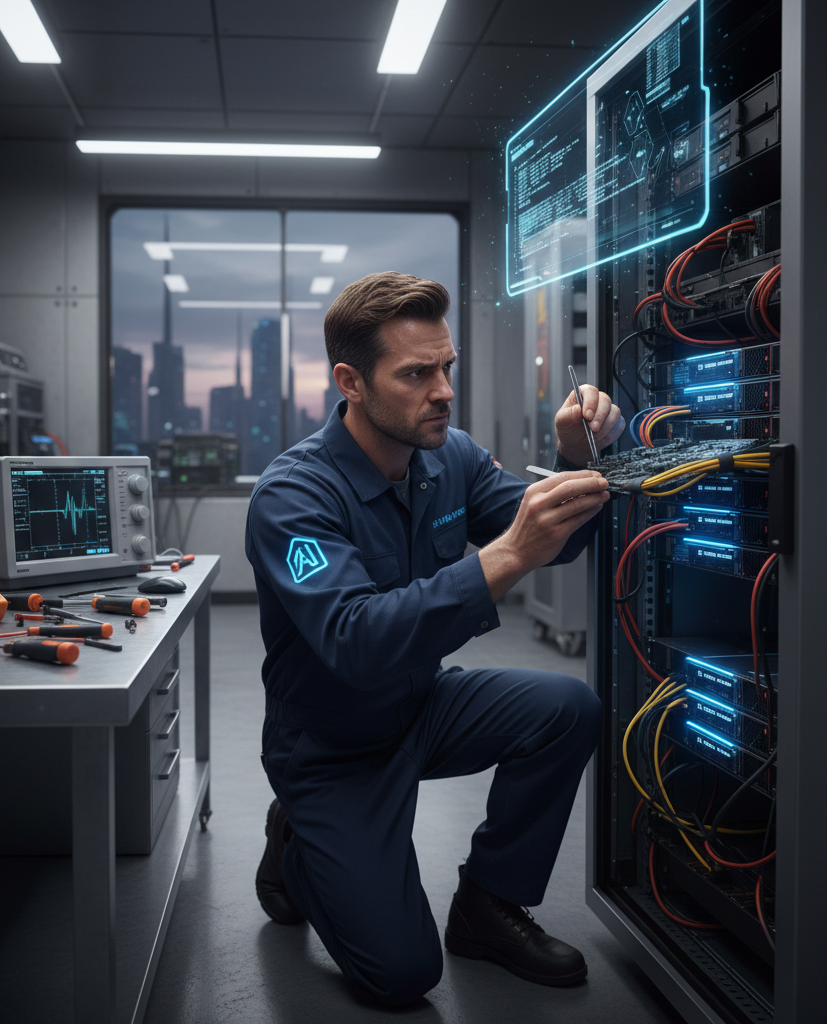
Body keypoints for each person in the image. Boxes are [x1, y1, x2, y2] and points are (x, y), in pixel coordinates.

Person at [245, 272, 624, 1006]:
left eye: (445, 367)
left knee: (566, 708)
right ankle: (296, 843)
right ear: (351, 382)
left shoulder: (449, 457)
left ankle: (489, 903)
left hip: (422, 704)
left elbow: (554, 539)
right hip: (331, 745)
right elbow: (355, 639)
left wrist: (578, 459)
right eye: (417, 373)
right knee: (401, 976)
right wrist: (505, 556)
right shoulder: (293, 496)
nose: (443, 390)